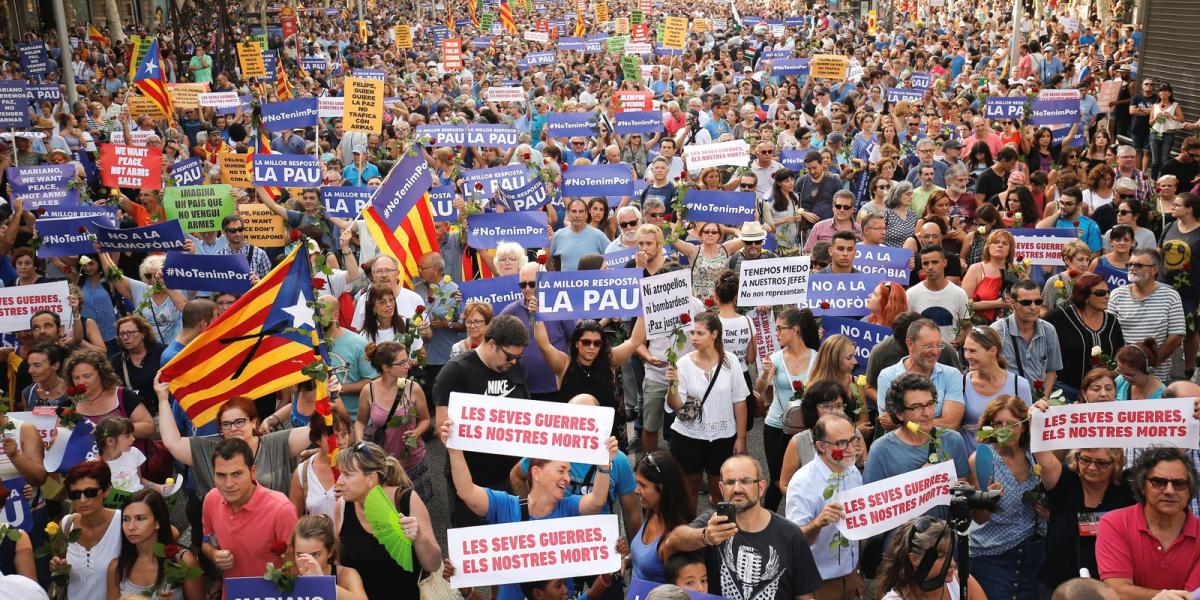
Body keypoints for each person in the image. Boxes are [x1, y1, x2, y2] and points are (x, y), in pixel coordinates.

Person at [441, 417, 617, 600]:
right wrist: (454, 451)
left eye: (569, 473)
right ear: (537, 473)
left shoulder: (569, 506)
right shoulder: (505, 506)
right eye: (561, 470)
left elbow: (596, 500)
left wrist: (604, 466)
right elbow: (466, 491)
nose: (567, 478)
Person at [663, 454, 823, 600]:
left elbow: (805, 595)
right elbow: (673, 540)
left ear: (761, 487)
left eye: (745, 481)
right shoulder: (714, 522)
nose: (737, 488)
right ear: (721, 488)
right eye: (730, 482)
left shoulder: (790, 534)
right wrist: (704, 536)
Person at [432, 315, 529, 526]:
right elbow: (442, 427)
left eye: (517, 359)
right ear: (492, 343)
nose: (512, 363)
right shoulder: (456, 371)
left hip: (511, 476)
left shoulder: (513, 367)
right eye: (509, 357)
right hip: (472, 480)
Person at [156, 380, 310, 498]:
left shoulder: (275, 443)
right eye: (226, 424)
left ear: (253, 422)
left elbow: (314, 430)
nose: (233, 428)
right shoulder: (209, 448)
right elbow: (172, 442)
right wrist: (163, 400)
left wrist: (328, 394)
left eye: (239, 422)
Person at [334, 441, 442, 599]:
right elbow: (338, 564)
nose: (340, 481)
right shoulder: (342, 506)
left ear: (371, 478)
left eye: (348, 474)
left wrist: (419, 537)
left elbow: (433, 564)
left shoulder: (406, 501)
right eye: (341, 473)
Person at [966, 395, 1046, 600]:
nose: (1004, 429)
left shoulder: (1035, 454)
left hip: (1030, 553)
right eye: (998, 424)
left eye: (1011, 424)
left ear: (1024, 426)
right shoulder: (982, 459)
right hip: (990, 556)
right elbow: (978, 518)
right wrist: (987, 501)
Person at [664, 313, 748, 503]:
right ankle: (689, 532)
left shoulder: (731, 361)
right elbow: (678, 408)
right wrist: (672, 385)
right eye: (692, 332)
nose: (693, 337)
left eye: (700, 333)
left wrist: (741, 438)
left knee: (721, 493)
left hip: (723, 436)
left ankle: (723, 532)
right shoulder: (683, 364)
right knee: (688, 492)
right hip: (688, 436)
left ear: (714, 334)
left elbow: (740, 401)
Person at [1095, 447, 1200, 595]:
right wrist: (1165, 597)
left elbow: (1193, 596)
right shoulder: (1115, 524)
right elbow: (1118, 592)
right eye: (1158, 482)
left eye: (1179, 483)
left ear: (1190, 489)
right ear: (1142, 486)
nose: (1169, 491)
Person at [785, 414, 865, 600]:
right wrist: (818, 523)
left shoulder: (853, 473)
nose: (852, 449)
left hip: (850, 575)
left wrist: (856, 573)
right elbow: (794, 542)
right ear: (821, 446)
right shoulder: (803, 483)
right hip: (819, 583)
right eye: (842, 443)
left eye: (853, 439)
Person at [1033, 445, 1133, 589]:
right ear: (1076, 458)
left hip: (1108, 585)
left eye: (1101, 463)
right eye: (1085, 460)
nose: (1092, 467)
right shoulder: (1064, 479)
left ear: (1116, 464)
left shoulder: (1126, 490)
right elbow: (1041, 452)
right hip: (1059, 583)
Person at [199, 437, 298, 581]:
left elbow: (294, 569)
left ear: (253, 471)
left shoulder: (281, 510)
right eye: (221, 475)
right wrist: (213, 554)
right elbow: (207, 541)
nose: (228, 484)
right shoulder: (211, 499)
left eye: (236, 474)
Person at [865, 373, 970, 502]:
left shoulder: (953, 440)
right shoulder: (880, 450)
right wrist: (918, 482)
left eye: (930, 404)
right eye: (917, 407)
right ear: (899, 414)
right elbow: (871, 502)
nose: (927, 413)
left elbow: (962, 488)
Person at [755, 307, 820, 511]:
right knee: (777, 480)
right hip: (776, 425)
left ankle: (801, 519)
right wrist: (765, 375)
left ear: (795, 330)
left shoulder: (817, 358)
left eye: (780, 329)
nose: (777, 333)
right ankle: (767, 521)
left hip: (807, 427)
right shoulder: (775, 358)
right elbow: (760, 389)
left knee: (806, 476)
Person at [356, 341, 431, 499]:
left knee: (414, 512)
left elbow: (425, 419)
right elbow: (360, 421)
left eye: (407, 360)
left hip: (411, 462)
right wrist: (359, 443)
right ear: (386, 367)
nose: (408, 365)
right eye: (402, 362)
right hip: (382, 465)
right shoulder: (368, 391)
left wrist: (417, 432)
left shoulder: (413, 389)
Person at [106, 489, 203, 599]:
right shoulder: (117, 567)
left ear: (157, 522)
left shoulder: (183, 561)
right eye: (126, 519)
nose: (131, 527)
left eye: (140, 518)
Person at [1108, 248, 1185, 382]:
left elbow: (1176, 337)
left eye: (1138, 265)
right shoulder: (1117, 294)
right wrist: (1124, 367)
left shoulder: (1170, 296)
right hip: (1122, 376)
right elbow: (1109, 333)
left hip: (1157, 376)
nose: (1131, 268)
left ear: (1154, 270)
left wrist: (1148, 364)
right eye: (1130, 264)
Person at [876, 319, 966, 431]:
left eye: (939, 345)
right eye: (928, 346)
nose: (935, 352)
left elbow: (951, 424)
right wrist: (938, 421)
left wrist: (902, 423)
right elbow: (888, 425)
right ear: (910, 344)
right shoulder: (887, 376)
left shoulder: (951, 374)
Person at [501, 263, 574, 402]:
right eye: (522, 285)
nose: (527, 289)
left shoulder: (561, 306)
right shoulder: (510, 311)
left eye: (532, 284)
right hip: (524, 389)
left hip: (559, 386)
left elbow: (575, 341)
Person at [1044, 273, 1126, 395]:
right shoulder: (1058, 318)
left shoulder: (1112, 321)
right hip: (1065, 393)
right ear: (1084, 296)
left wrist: (1113, 372)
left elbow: (1120, 353)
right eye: (1100, 293)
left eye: (1108, 292)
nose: (1107, 296)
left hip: (1103, 394)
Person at [53, 461, 122, 600]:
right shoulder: (66, 524)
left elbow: (169, 533)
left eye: (90, 492)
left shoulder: (124, 522)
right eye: (75, 494)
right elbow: (59, 561)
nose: (83, 500)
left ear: (106, 490)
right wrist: (57, 567)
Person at [876, 516, 987, 600]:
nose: (952, 563)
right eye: (940, 556)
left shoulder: (961, 582)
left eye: (950, 554)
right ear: (914, 559)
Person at [960, 327, 1033, 453]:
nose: (967, 356)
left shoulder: (1019, 385)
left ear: (993, 351)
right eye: (965, 350)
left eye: (973, 351)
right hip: (970, 464)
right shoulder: (961, 383)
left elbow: (1028, 427)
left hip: (1009, 462)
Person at [991, 280, 1063, 403]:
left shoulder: (1049, 330)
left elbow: (1051, 371)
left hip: (1037, 403)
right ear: (1013, 303)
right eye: (1026, 303)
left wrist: (1044, 398)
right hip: (1005, 404)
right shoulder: (997, 331)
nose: (1033, 307)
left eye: (1038, 302)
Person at [630, 451, 695, 584]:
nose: (636, 490)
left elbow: (679, 591)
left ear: (662, 488)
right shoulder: (653, 512)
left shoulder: (673, 541)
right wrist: (627, 559)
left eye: (642, 485)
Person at [66, 350, 155, 439]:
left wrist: (115, 430)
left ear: (101, 373)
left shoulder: (122, 395)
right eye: (76, 378)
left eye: (87, 376)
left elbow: (149, 428)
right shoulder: (70, 403)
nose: (81, 382)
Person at [1160, 192, 1200, 379]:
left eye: (1177, 205)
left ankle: (1189, 369)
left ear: (1189, 209)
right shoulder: (1169, 226)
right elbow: (1159, 253)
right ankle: (1160, 366)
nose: (1172, 207)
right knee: (1161, 327)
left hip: (1190, 290)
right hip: (1164, 286)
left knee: (1189, 330)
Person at [290, 409, 351, 519]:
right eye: (333, 437)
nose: (341, 442)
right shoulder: (302, 471)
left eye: (345, 434)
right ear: (318, 439)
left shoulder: (359, 468)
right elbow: (294, 518)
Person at [290, 514, 368, 600]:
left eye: (315, 555)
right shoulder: (289, 577)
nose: (307, 561)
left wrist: (322, 582)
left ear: (330, 551)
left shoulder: (345, 575)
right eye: (300, 554)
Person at [906, 246, 969, 344]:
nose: (930, 267)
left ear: (945, 263)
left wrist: (956, 344)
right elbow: (906, 327)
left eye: (935, 262)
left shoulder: (959, 294)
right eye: (925, 263)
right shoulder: (911, 294)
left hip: (949, 354)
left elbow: (966, 326)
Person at [670, 222, 745, 300]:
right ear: (701, 235)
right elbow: (673, 240)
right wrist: (679, 220)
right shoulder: (694, 250)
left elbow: (747, 237)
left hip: (721, 300)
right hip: (699, 302)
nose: (710, 234)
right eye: (706, 232)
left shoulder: (726, 248)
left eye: (714, 232)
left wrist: (735, 230)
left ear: (719, 235)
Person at [108, 315, 165, 412]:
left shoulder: (161, 352)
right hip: (139, 414)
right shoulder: (117, 361)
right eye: (121, 334)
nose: (125, 337)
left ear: (143, 334)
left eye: (130, 333)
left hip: (164, 409)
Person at [552, 198, 611, 271]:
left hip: (591, 281)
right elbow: (547, 260)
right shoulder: (558, 235)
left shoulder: (598, 235)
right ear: (568, 213)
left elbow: (615, 259)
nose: (577, 215)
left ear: (586, 214)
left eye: (581, 211)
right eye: (574, 211)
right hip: (567, 281)